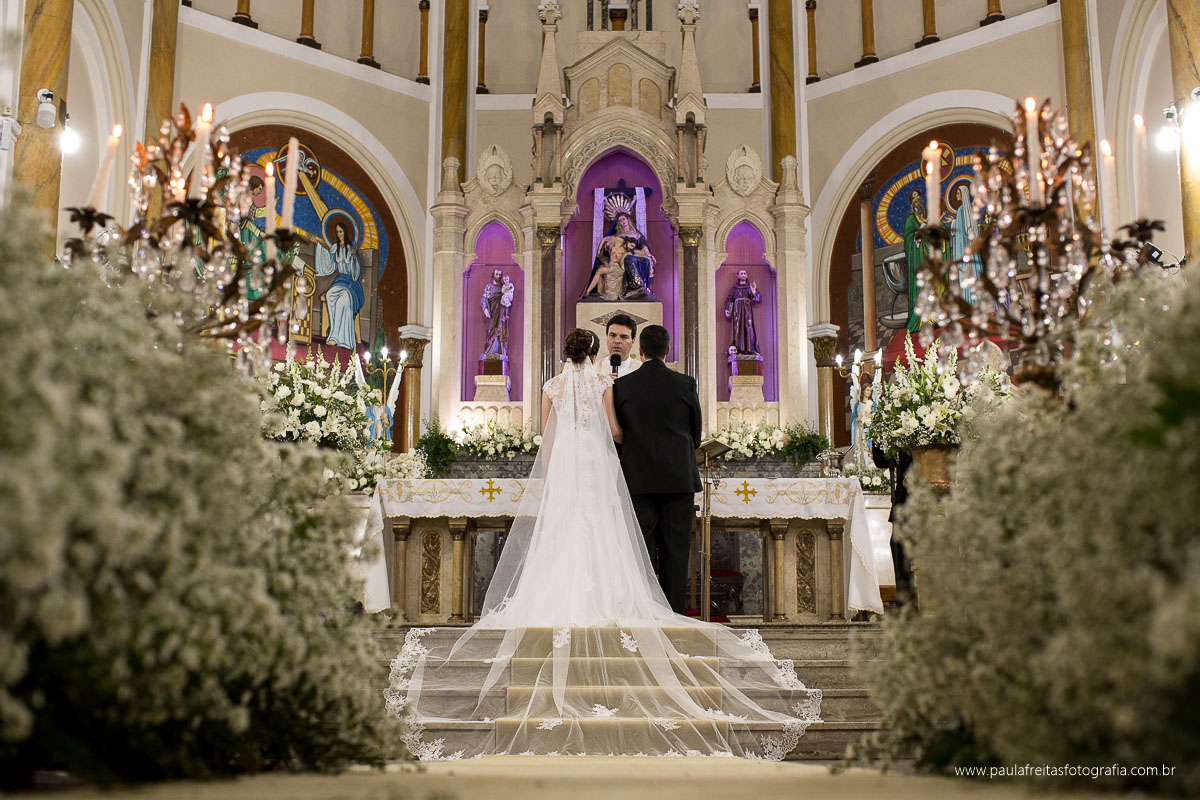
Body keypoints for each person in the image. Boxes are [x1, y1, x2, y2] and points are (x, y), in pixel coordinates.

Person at [387, 327, 823, 760]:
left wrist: (564, 459)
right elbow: (616, 431)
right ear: (596, 350)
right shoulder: (605, 383)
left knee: (562, 533)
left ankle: (556, 599)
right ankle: (614, 600)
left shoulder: (551, 386)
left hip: (565, 468)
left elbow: (546, 436)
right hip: (597, 465)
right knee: (603, 532)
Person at [611, 325, 701, 613]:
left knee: (642, 551)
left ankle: (646, 613)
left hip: (638, 481)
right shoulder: (686, 384)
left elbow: (618, 435)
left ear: (640, 350)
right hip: (678, 480)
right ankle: (674, 613)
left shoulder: (622, 386)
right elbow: (695, 435)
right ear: (667, 351)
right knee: (676, 551)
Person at [314, 220, 364, 349]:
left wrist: (353, 260)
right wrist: (319, 245)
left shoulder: (351, 249)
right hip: (340, 280)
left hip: (351, 283)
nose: (339, 234)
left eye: (341, 231)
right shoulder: (336, 248)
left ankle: (337, 338)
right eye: (337, 232)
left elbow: (356, 273)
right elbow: (329, 265)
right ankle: (334, 335)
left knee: (344, 300)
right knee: (331, 294)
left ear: (345, 232)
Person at [724, 269, 763, 355]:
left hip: (747, 310)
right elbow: (730, 299)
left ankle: (751, 349)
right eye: (741, 273)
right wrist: (728, 309)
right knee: (738, 329)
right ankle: (739, 350)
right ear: (738, 276)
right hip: (737, 311)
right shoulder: (734, 288)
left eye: (745, 273)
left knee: (749, 328)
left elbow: (758, 298)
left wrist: (754, 292)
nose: (743, 275)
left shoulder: (750, 287)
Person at [594, 313, 642, 377]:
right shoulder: (594, 370)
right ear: (607, 337)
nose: (617, 341)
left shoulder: (641, 369)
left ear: (632, 341)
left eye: (624, 337)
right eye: (612, 335)